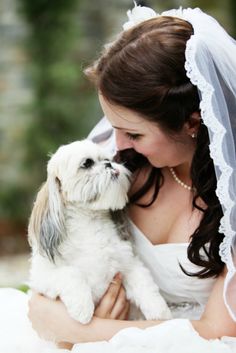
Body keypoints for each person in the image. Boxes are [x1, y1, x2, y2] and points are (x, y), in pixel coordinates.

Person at [1, 5, 236, 353]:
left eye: (134, 134)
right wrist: (52, 304)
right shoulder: (126, 170)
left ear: (192, 122)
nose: (118, 146)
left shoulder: (230, 197)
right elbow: (58, 254)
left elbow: (219, 330)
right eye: (114, 128)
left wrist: (81, 330)